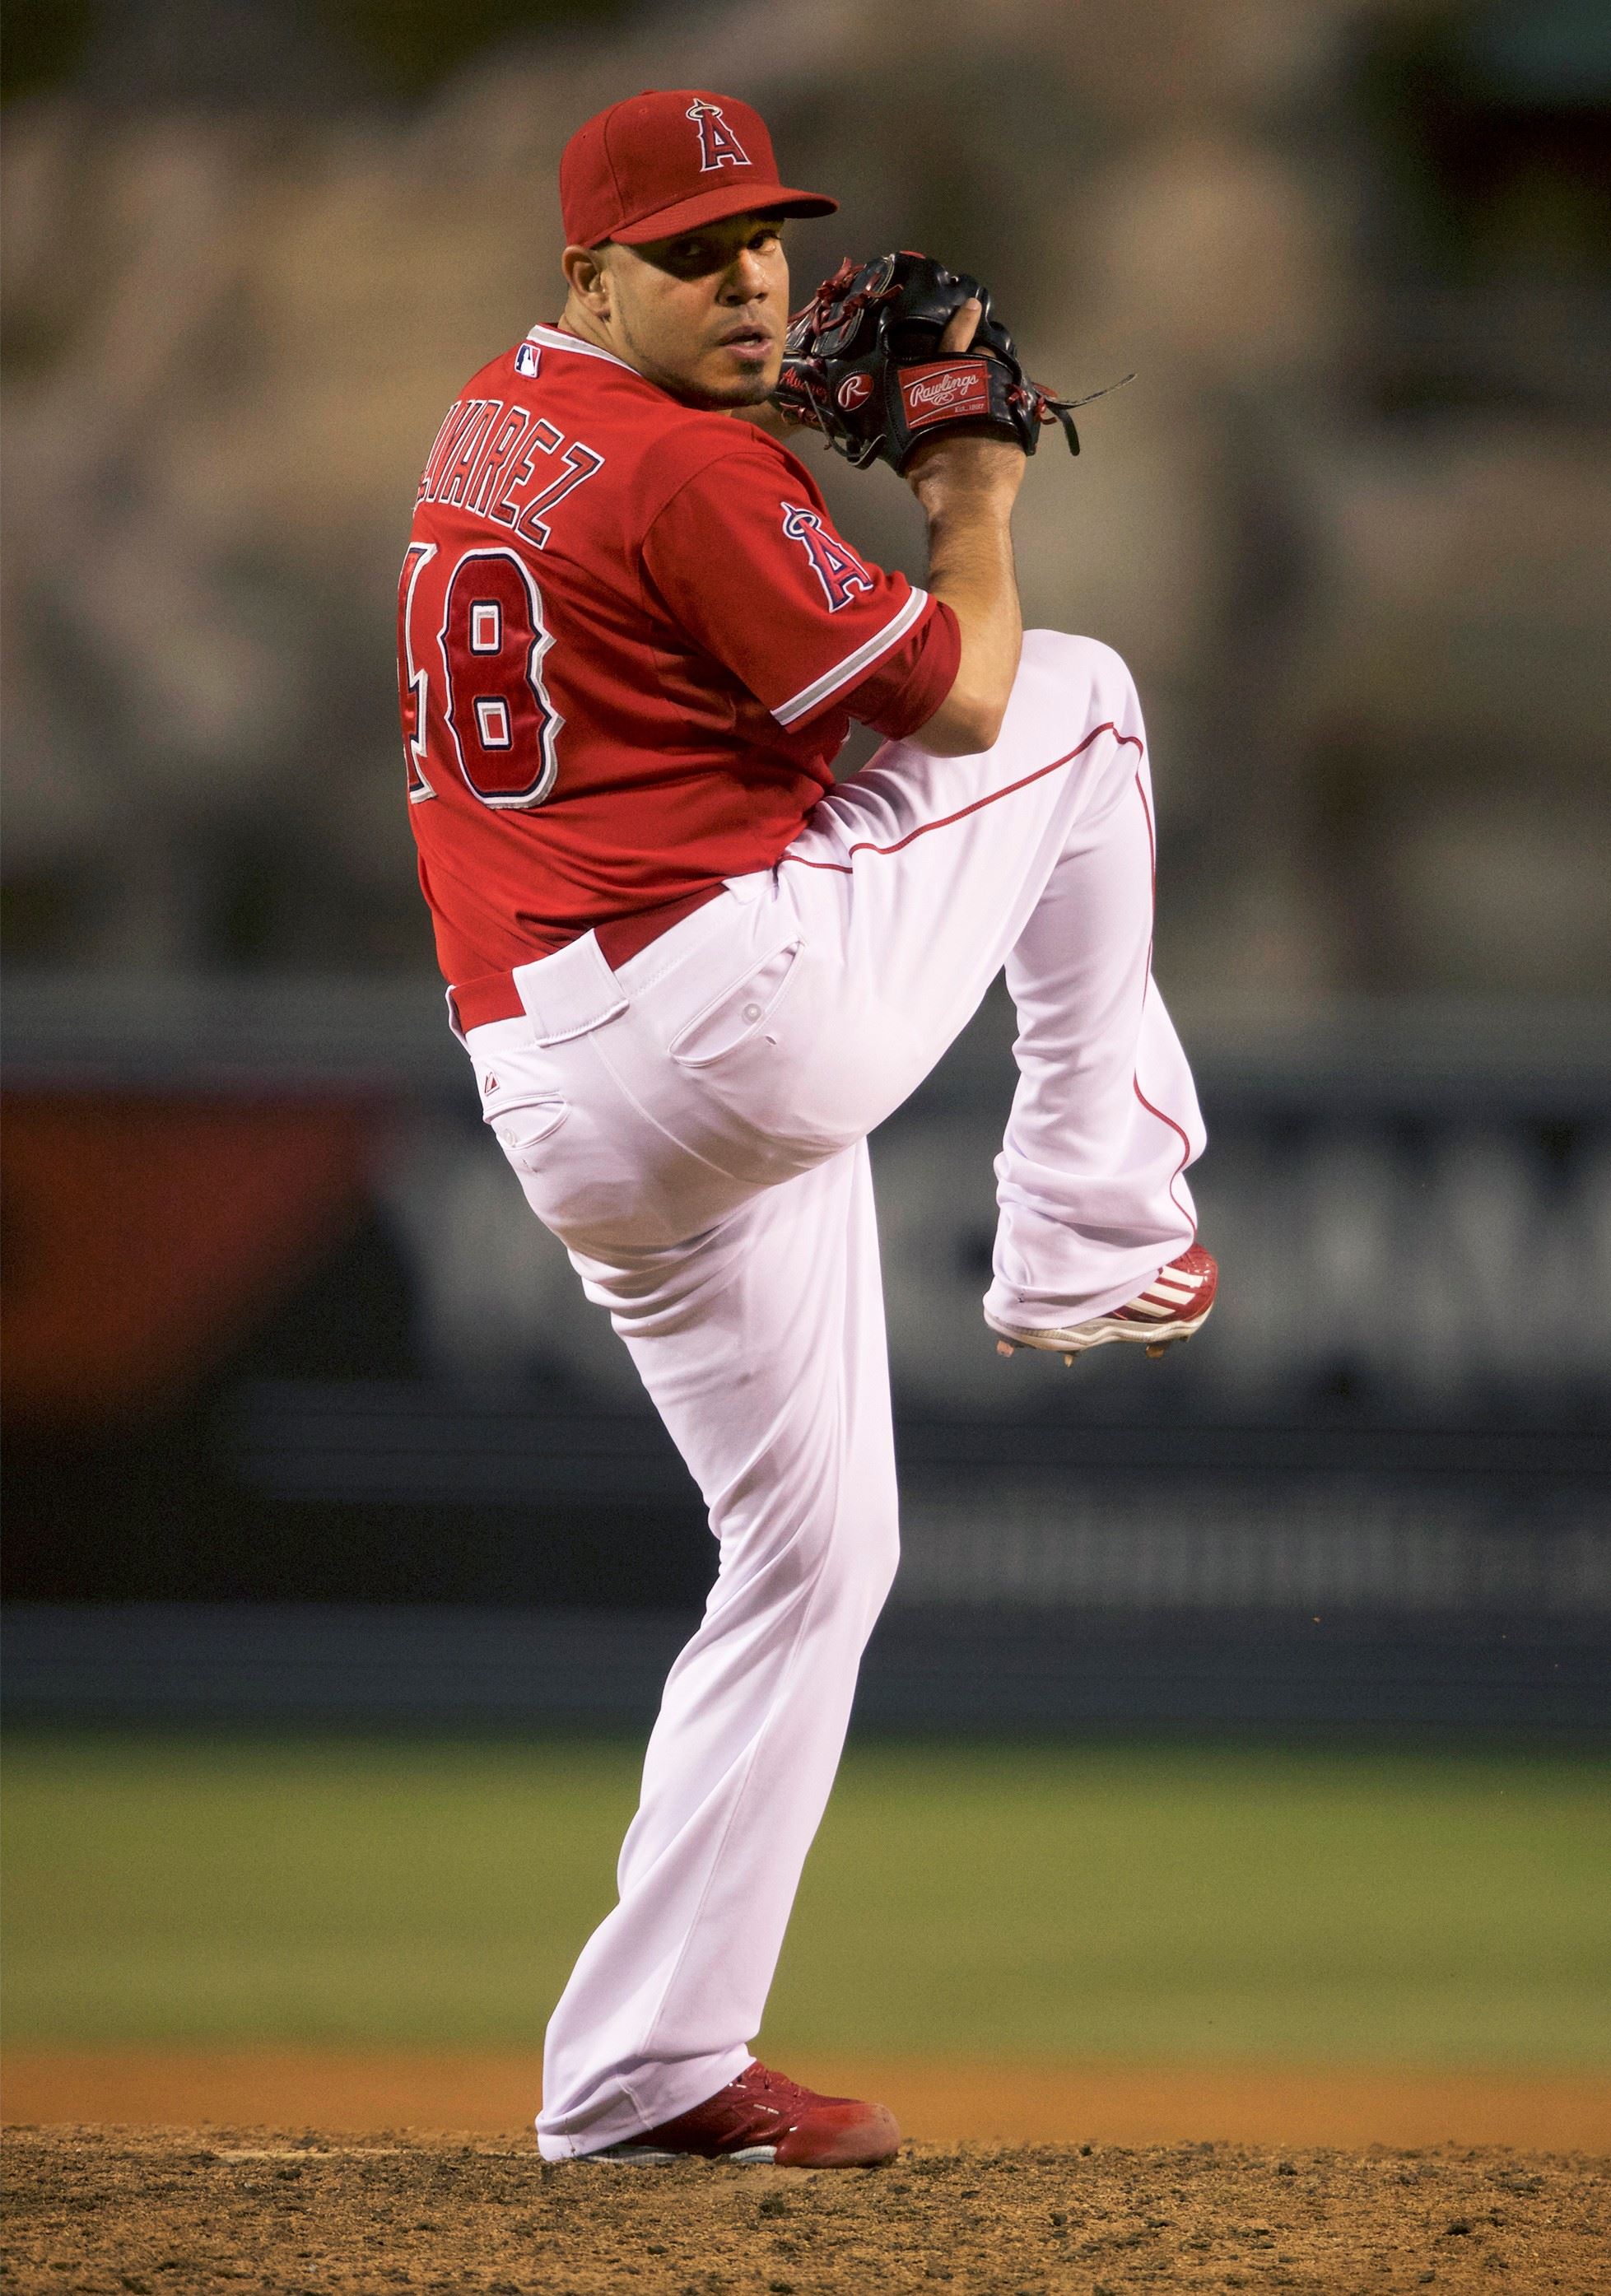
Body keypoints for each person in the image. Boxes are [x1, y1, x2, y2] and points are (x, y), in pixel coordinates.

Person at [398, 86, 1213, 2168]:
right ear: (590, 271)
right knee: (1082, 698)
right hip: (720, 1015)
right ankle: (1092, 1232)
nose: (751, 278)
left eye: (761, 237)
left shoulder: (496, 416)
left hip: (562, 1084)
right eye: (691, 252)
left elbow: (713, 666)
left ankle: (647, 2067)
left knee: (813, 1552)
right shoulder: (681, 467)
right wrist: (967, 480)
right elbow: (953, 692)